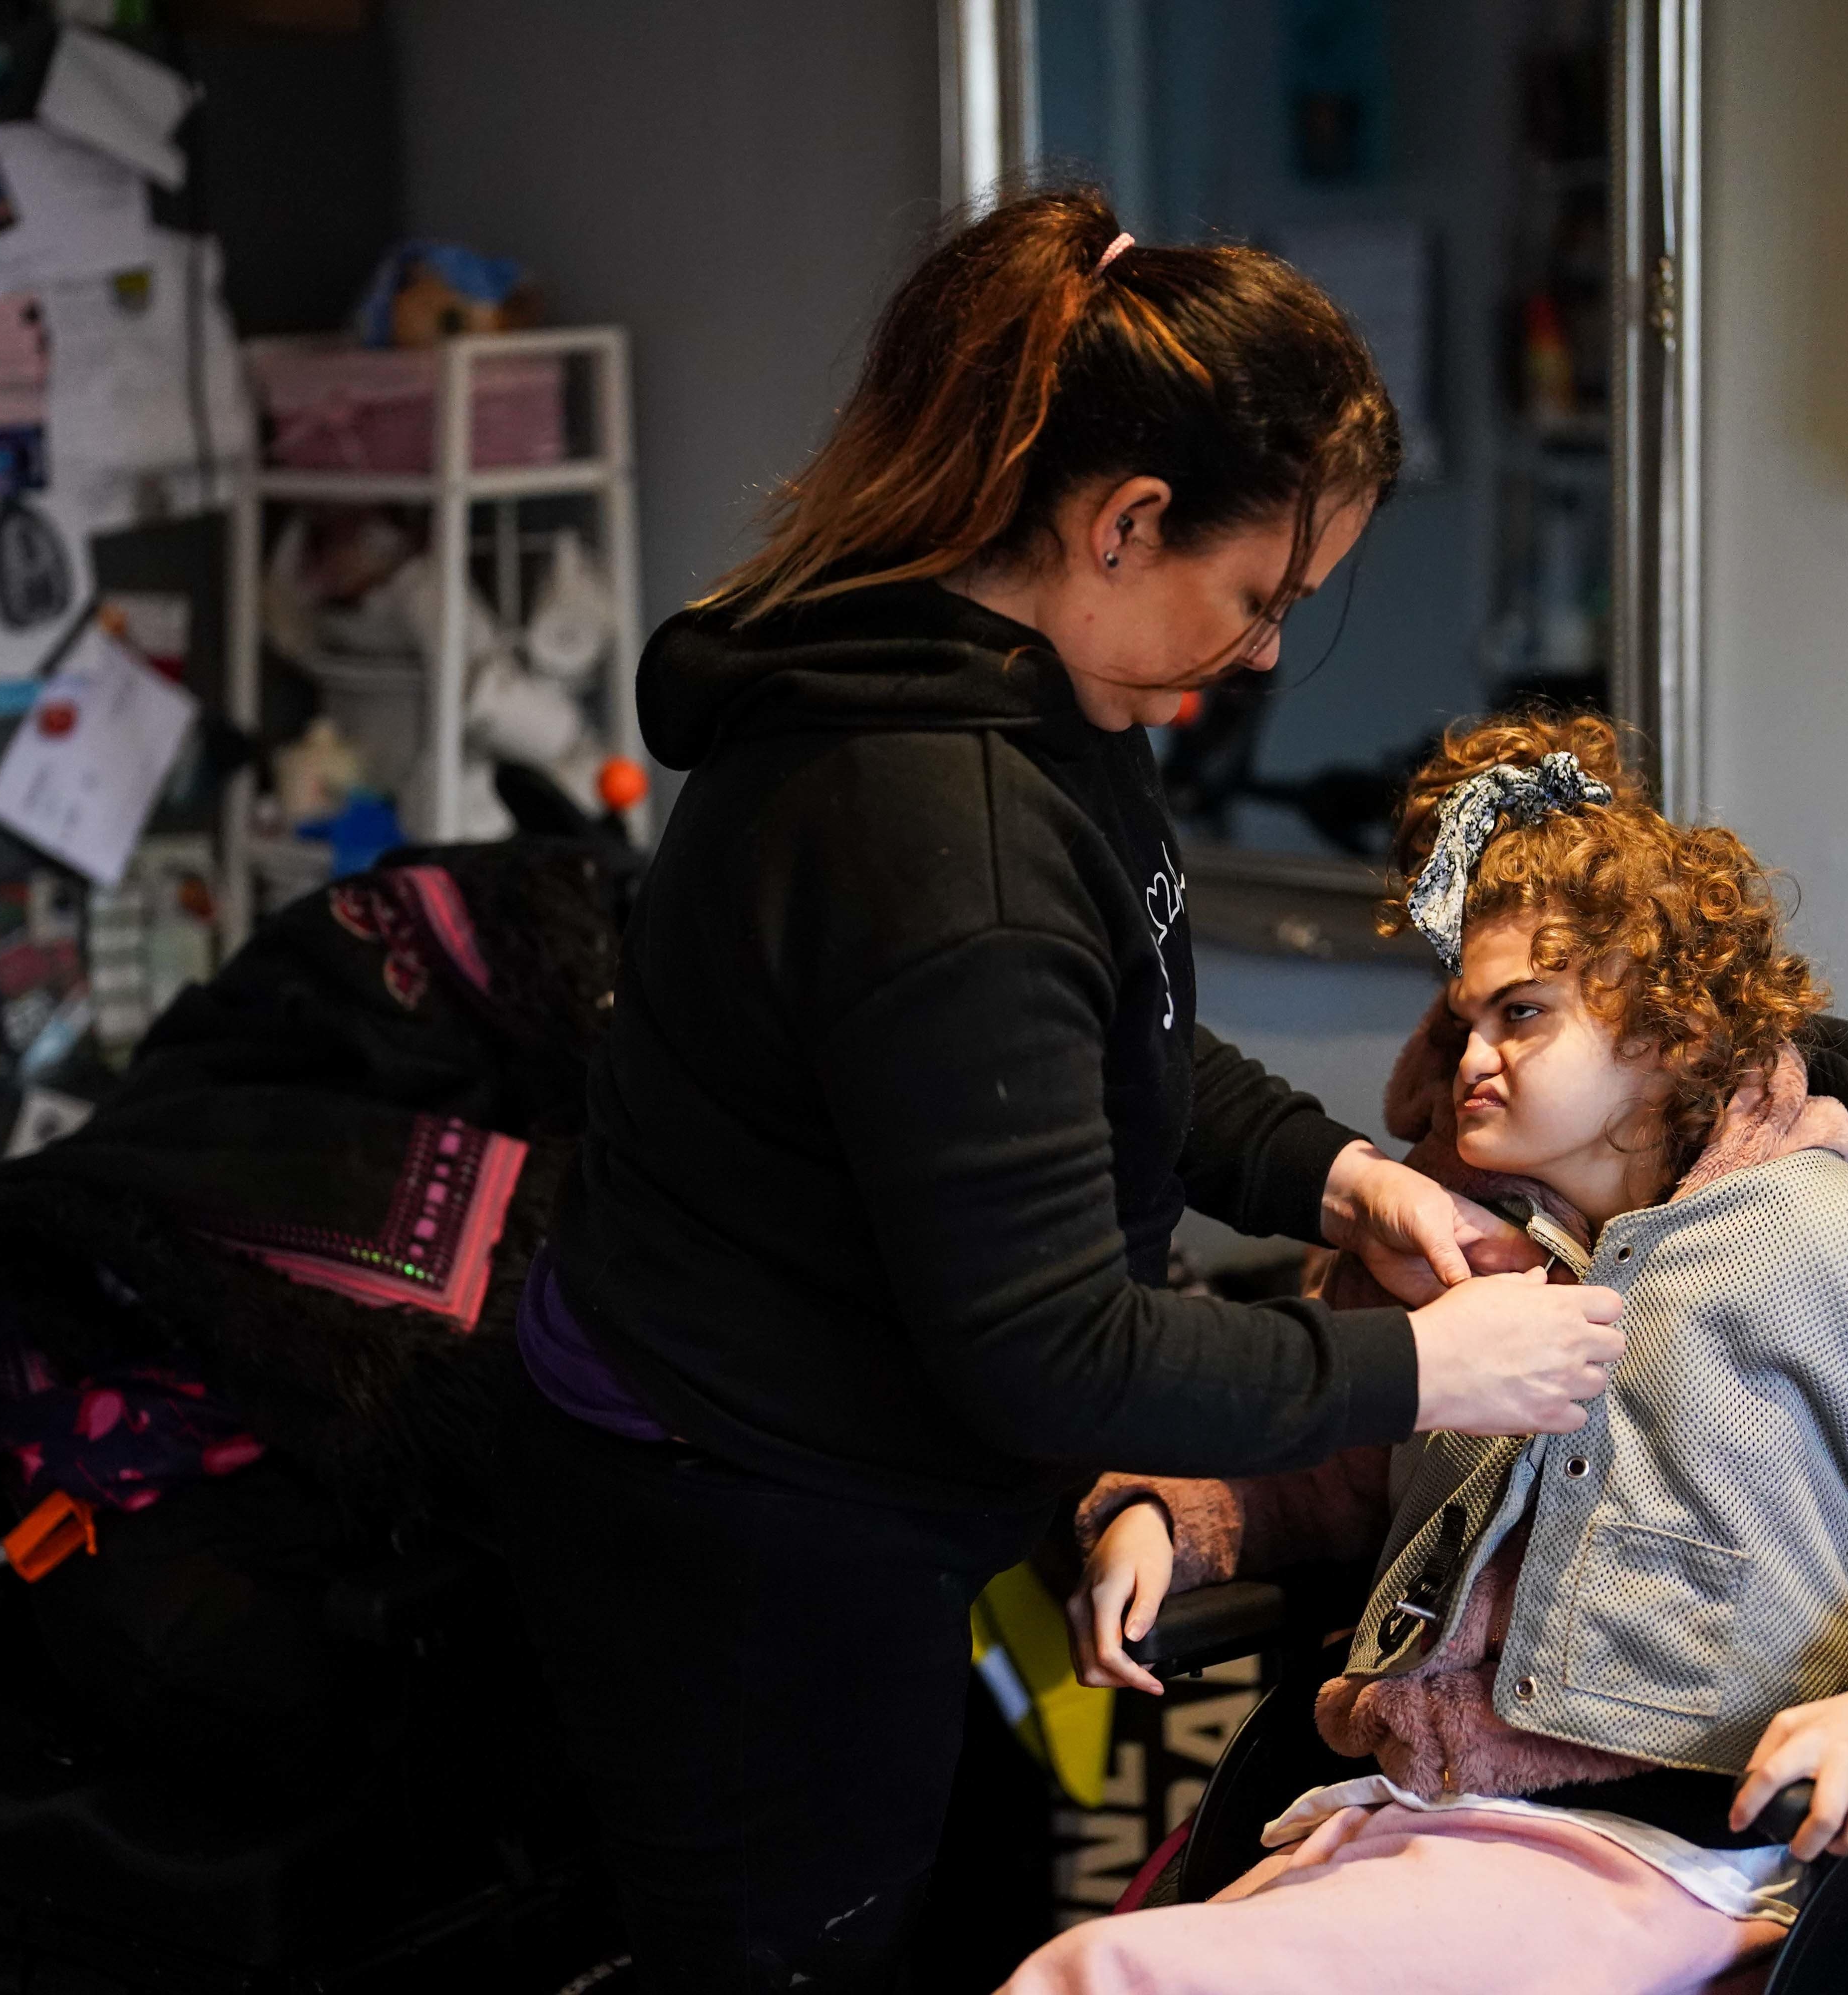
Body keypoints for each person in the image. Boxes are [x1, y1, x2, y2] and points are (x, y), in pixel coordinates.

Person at [489, 188, 1634, 1995]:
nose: (1265, 651)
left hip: (826, 1460)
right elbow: (1053, 1352)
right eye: (1259, 596)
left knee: (985, 1881)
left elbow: (1123, 1049)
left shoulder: (1032, 695)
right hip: (735, 1518)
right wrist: (1430, 1367)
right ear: (1124, 523)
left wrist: (1338, 1180)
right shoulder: (942, 834)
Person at [1031, 713, 1848, 1995]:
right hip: (1397, 1821)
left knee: (1114, 1978)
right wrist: (1172, 1521)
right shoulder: (1460, 1263)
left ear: (1668, 1030)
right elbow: (1331, 1480)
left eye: (1524, 1014)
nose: (1470, 1059)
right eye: (1463, 1022)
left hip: (1662, 1859)